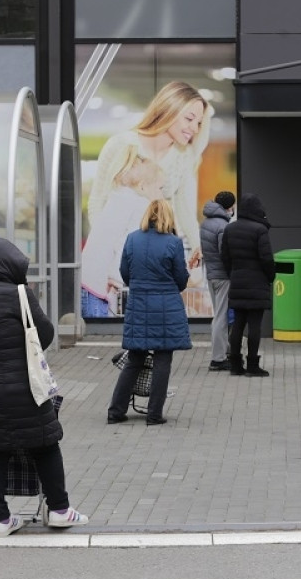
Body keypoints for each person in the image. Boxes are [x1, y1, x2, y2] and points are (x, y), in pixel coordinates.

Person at [0, 236, 87, 536]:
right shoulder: (19, 293)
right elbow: (44, 334)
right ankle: (59, 509)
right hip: (26, 388)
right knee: (46, 445)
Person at [86, 81, 213, 283]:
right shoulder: (121, 145)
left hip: (153, 260)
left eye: (198, 123)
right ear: (169, 110)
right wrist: (103, 253)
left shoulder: (184, 156)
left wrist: (199, 247)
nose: (195, 129)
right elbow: (97, 202)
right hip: (113, 258)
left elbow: (185, 210)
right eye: (189, 119)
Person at [107, 199, 191, 426]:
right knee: (163, 359)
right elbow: (181, 279)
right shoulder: (173, 242)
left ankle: (115, 411)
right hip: (166, 308)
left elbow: (125, 272)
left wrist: (140, 284)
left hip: (139, 305)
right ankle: (154, 415)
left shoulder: (132, 238)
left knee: (134, 359)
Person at [80, 146, 165, 317]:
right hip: (100, 284)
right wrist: (116, 279)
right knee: (99, 329)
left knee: (91, 327)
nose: (162, 195)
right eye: (160, 188)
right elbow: (126, 245)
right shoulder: (140, 205)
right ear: (143, 187)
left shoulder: (118, 198)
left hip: (87, 279)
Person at [220, 193, 275, 377]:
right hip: (257, 283)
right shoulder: (260, 230)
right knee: (254, 326)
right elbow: (266, 259)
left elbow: (225, 257)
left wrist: (233, 274)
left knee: (237, 325)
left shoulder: (230, 228)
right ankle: (252, 366)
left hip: (237, 281)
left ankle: (235, 365)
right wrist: (270, 276)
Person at [199, 190, 235, 371]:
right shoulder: (223, 226)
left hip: (212, 275)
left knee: (219, 314)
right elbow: (225, 254)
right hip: (223, 276)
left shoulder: (205, 223)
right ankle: (218, 359)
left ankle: (224, 351)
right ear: (229, 207)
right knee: (221, 317)